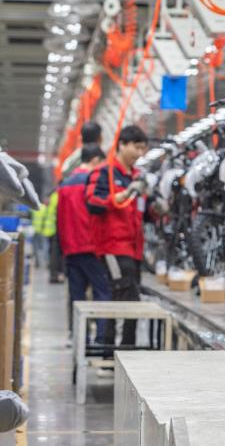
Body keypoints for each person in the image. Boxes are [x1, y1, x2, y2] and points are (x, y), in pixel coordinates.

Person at [86, 125, 149, 350]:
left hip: (134, 249)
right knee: (127, 297)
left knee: (123, 297)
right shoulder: (105, 173)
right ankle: (118, 351)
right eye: (136, 147)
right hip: (112, 247)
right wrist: (123, 194)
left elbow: (143, 211)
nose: (140, 153)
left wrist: (154, 206)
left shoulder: (137, 176)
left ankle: (116, 350)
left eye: (143, 149)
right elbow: (92, 202)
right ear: (122, 145)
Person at [57, 144, 111, 338]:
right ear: (95, 160)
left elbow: (60, 220)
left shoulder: (65, 185)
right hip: (92, 247)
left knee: (77, 297)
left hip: (71, 249)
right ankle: (102, 340)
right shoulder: (95, 183)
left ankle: (80, 338)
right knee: (102, 293)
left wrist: (63, 248)